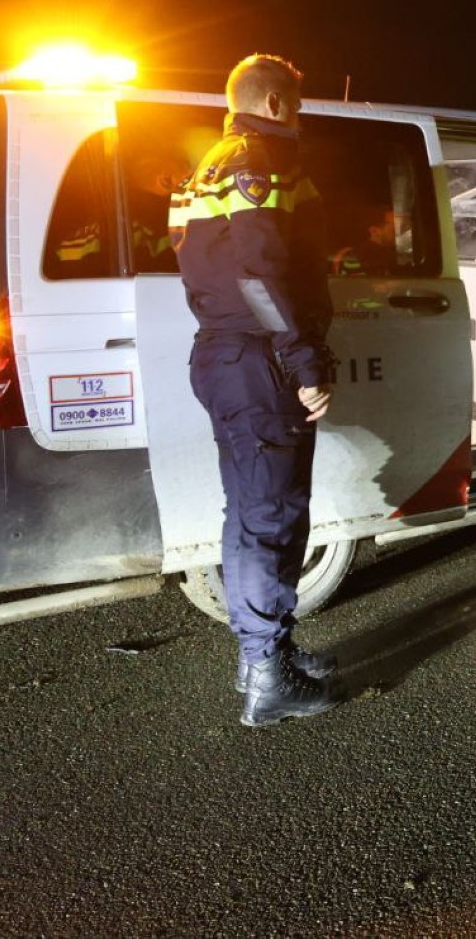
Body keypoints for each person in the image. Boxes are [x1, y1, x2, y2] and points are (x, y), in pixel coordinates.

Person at [168, 54, 340, 727]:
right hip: (258, 360)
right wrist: (305, 362)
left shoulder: (207, 165)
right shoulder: (259, 162)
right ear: (275, 105)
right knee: (270, 517)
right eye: (296, 105)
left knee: (251, 514)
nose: (298, 117)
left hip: (223, 353)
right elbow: (259, 275)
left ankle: (264, 654)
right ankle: (270, 678)